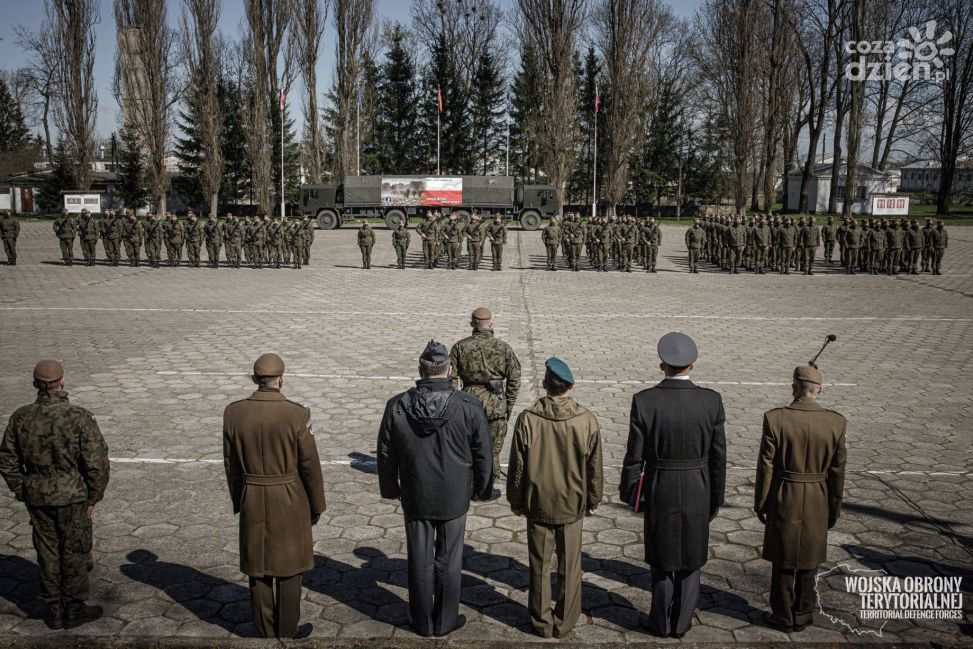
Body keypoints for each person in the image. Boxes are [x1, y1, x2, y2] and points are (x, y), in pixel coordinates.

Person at [377, 340, 493, 637]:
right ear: (450, 370)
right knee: (449, 561)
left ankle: (422, 622)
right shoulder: (469, 406)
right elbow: (483, 452)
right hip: (454, 496)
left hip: (416, 494)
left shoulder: (398, 405)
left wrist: (391, 489)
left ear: (420, 369)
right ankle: (444, 621)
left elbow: (386, 453)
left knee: (419, 560)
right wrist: (482, 488)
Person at [619, 332, 726, 638]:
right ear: (692, 365)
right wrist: (715, 497)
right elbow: (719, 456)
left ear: (661, 364)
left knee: (661, 556)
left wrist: (631, 492)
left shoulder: (645, 401)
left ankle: (660, 621)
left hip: (660, 484)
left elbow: (634, 457)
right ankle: (681, 622)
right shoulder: (711, 401)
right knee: (692, 558)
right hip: (698, 486)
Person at [222, 353, 326, 639]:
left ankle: (264, 629)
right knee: (291, 567)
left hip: (252, 494)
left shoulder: (234, 412)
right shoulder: (297, 414)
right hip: (289, 495)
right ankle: (287, 629)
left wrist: (239, 499)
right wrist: (317, 505)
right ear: (281, 379)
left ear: (254, 379)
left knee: (258, 568)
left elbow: (231, 464)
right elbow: (310, 465)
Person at [0, 360, 110, 630]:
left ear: (36, 384)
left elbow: (7, 461)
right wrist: (93, 497)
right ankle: (73, 608)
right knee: (74, 550)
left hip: (38, 496)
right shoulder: (78, 417)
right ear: (61, 382)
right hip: (73, 496)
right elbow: (96, 463)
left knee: (47, 550)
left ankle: (53, 609)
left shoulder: (21, 417)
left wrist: (22, 489)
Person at [506, 357, 603, 640]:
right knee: (570, 566)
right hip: (572, 503)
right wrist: (593, 499)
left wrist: (516, 499)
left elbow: (517, 466)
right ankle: (565, 622)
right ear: (570, 386)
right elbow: (593, 467)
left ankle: (540, 621)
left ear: (545, 384)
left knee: (538, 564)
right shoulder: (586, 420)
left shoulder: (528, 419)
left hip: (538, 503)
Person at [755, 365, 846, 633]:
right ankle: (803, 613)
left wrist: (761, 502)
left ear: (793, 389)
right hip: (818, 494)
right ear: (820, 390)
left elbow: (766, 466)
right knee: (810, 558)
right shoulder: (836, 422)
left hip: (785, 492)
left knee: (783, 558)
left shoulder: (776, 419)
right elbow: (837, 472)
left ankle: (782, 614)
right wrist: (834, 507)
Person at [450, 307, 522, 481]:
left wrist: (454, 402)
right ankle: (491, 480)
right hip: (495, 403)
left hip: (468, 401)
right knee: (493, 449)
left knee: (468, 445)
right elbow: (514, 379)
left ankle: (468, 480)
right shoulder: (503, 348)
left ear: (472, 324)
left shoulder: (460, 347)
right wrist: (508, 405)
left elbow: (450, 377)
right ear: (490, 323)